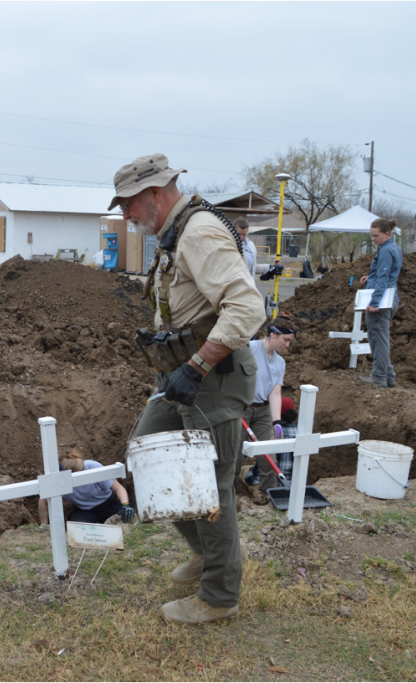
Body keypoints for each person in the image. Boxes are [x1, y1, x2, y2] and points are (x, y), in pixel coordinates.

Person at [113, 154, 266, 624]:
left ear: (156, 194)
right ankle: (206, 552)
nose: (126, 216)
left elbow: (246, 308)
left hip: (212, 378)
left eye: (130, 204)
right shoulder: (174, 234)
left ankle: (219, 596)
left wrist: (197, 367)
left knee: (211, 487)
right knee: (147, 451)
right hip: (181, 375)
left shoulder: (198, 232)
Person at [237, 317, 296, 502]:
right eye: (285, 340)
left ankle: (266, 494)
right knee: (234, 455)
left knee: (268, 454)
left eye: (290, 341)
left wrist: (276, 421)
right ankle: (229, 494)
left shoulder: (280, 363)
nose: (287, 345)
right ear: (273, 334)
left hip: (263, 411)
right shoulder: (250, 349)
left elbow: (275, 393)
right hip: (241, 409)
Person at [358, 218, 402, 388]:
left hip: (382, 302)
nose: (373, 239)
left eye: (376, 236)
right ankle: (388, 376)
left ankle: (379, 377)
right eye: (371, 236)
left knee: (378, 339)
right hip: (390, 298)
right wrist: (371, 277)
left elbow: (384, 278)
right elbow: (387, 274)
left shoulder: (385, 251)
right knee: (380, 338)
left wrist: (375, 302)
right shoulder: (392, 248)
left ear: (386, 233)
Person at [37, 452, 136, 525]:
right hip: (83, 510)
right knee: (77, 527)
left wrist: (125, 504)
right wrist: (44, 525)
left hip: (107, 505)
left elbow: (118, 488)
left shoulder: (93, 467)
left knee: (128, 517)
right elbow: (43, 500)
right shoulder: (59, 479)